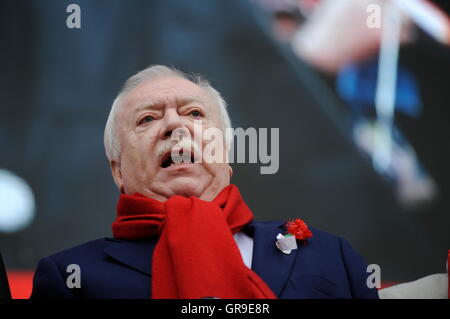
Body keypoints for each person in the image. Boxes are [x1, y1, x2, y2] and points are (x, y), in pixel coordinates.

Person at [30, 65, 379, 299]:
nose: (174, 126)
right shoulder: (69, 277)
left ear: (225, 153)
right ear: (118, 170)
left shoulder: (329, 253)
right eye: (147, 119)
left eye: (194, 113)